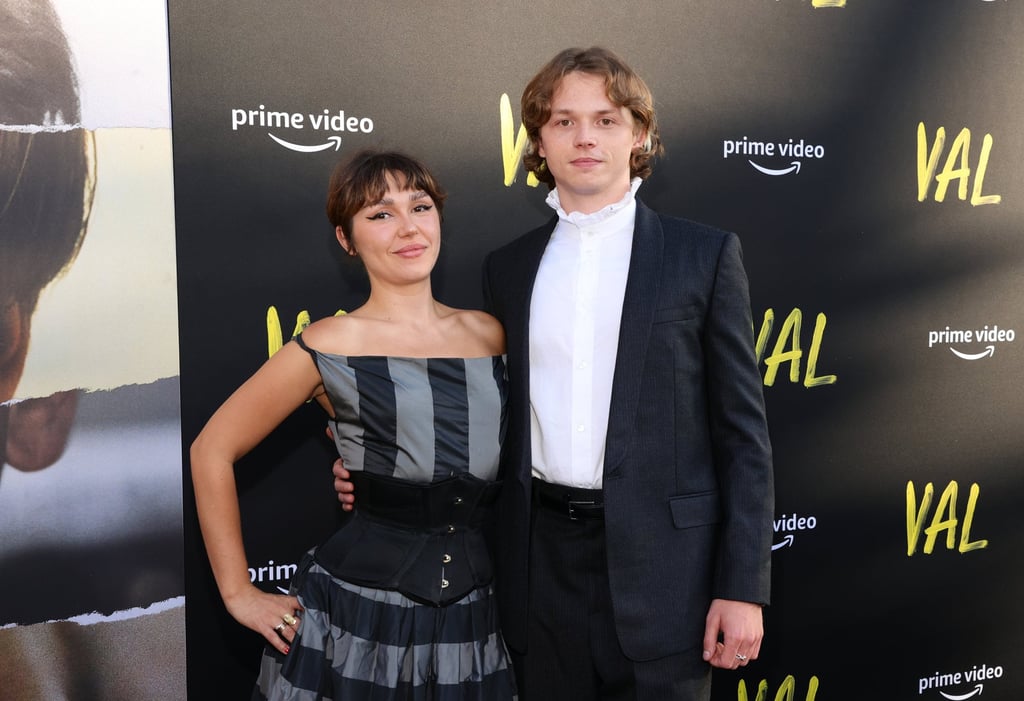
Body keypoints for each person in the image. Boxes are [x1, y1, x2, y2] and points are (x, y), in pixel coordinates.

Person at [335, 48, 774, 700]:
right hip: (538, 568)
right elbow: (489, 411)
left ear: (640, 133)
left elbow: (743, 437)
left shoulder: (702, 256)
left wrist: (742, 588)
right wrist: (379, 463)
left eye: (605, 119)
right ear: (538, 139)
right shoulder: (509, 267)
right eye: (564, 121)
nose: (585, 137)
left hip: (668, 577)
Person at [191, 149, 518, 700]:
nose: (408, 227)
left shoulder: (492, 334)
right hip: (355, 622)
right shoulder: (326, 344)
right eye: (380, 214)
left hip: (474, 620)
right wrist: (237, 592)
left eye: (420, 206)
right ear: (347, 239)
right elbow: (210, 450)